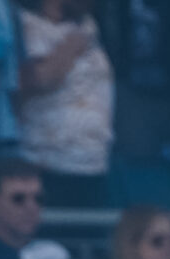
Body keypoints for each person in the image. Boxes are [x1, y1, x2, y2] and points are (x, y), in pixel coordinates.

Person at [14, 0, 111, 206]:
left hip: (93, 165)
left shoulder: (88, 26)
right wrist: (70, 47)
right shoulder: (27, 25)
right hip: (48, 165)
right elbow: (37, 79)